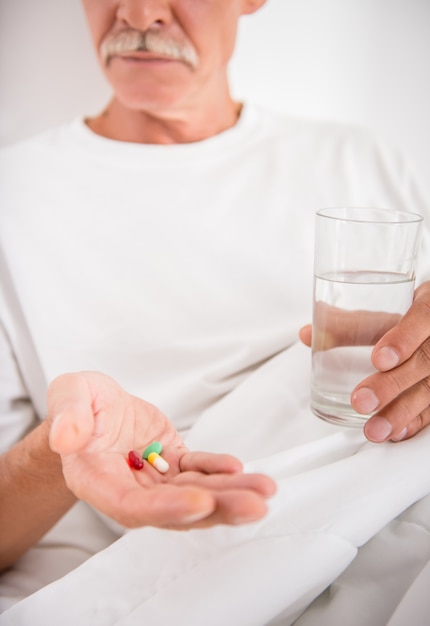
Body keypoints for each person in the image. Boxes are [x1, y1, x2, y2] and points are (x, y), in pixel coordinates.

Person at [1, 0, 430, 621]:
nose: (142, 12)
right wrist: (60, 447)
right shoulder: (16, 195)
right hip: (169, 573)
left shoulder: (360, 162)